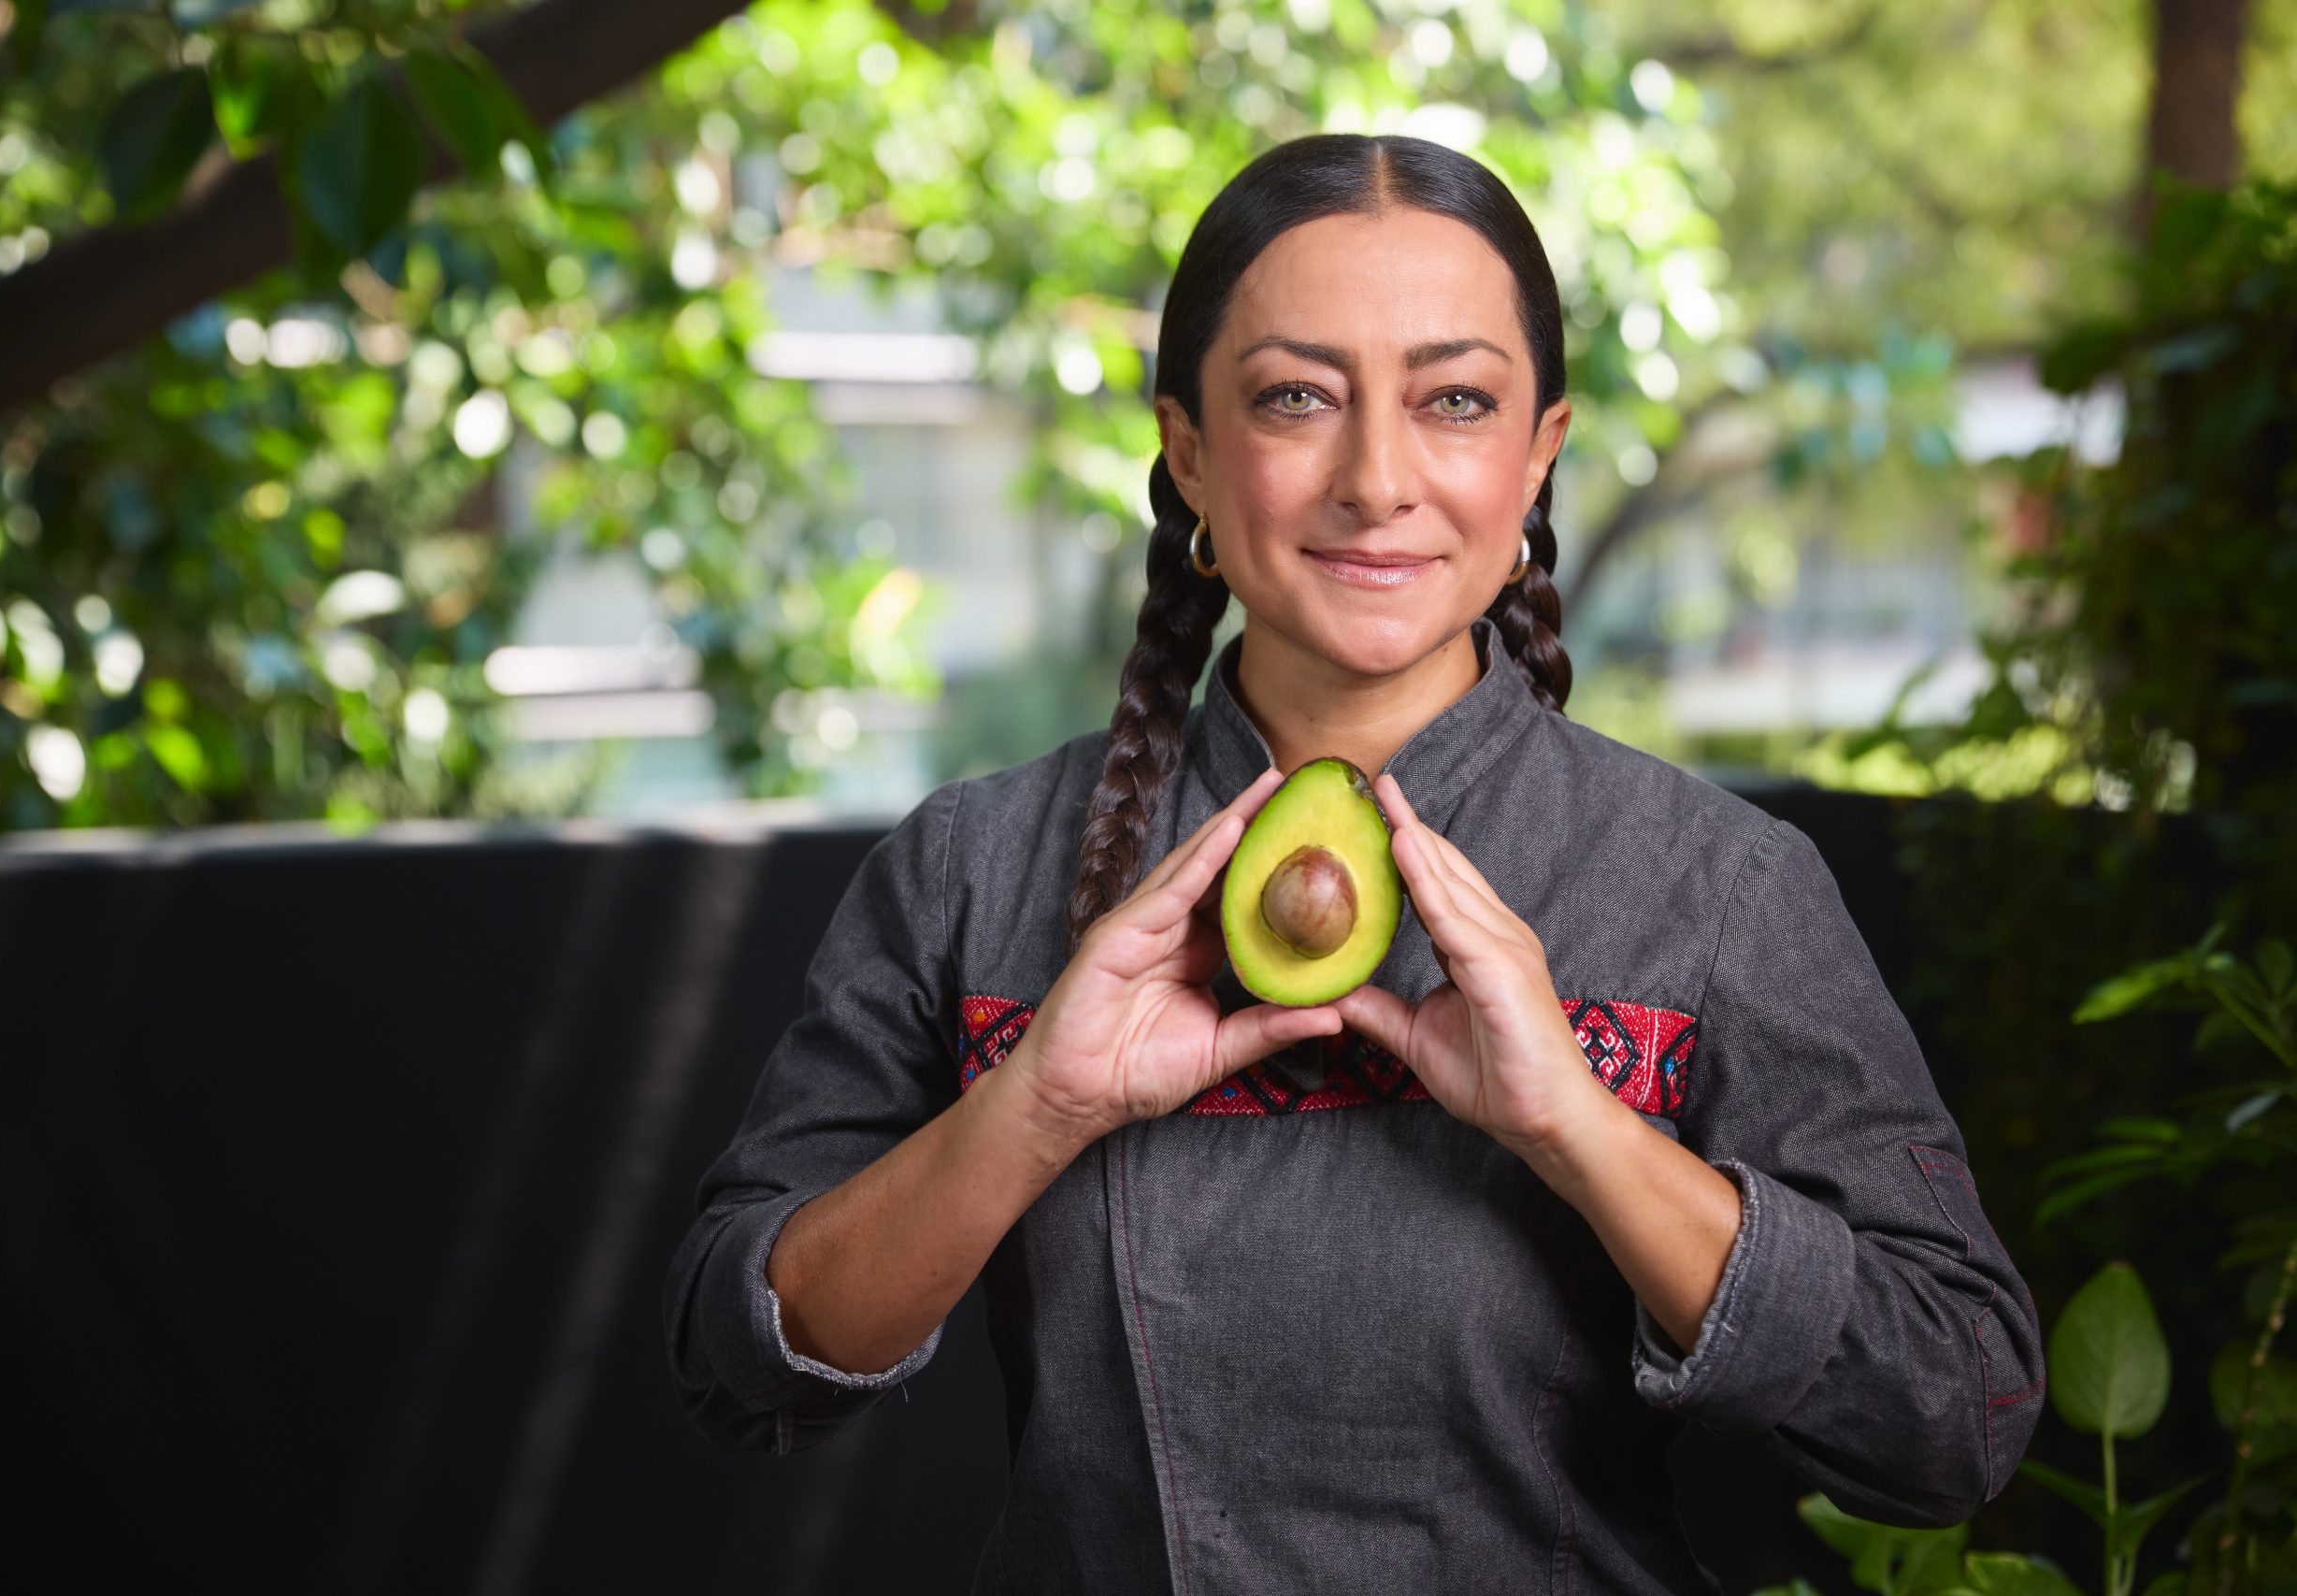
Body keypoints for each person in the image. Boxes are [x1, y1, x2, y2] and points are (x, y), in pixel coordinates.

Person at [662, 132, 2044, 1593]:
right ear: (1188, 450)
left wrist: (1581, 1129)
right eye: (1296, 398)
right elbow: (736, 1363)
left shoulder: (1718, 888)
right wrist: (1038, 1106)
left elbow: (1956, 1409)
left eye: (1455, 401)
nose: (1377, 480)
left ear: (1539, 453)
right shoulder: (973, 868)